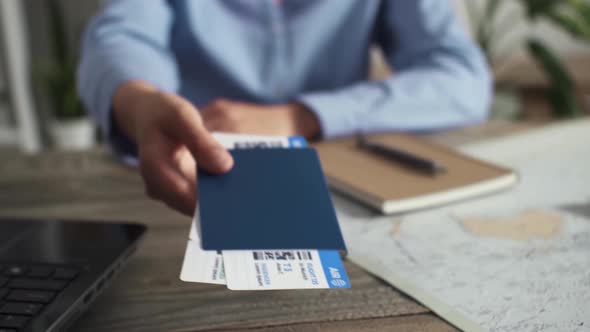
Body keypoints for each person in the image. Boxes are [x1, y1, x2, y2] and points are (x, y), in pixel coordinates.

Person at [78, 0, 492, 216]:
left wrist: (303, 116)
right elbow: (122, 37)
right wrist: (141, 102)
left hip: (347, 184)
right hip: (186, 183)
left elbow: (464, 81)